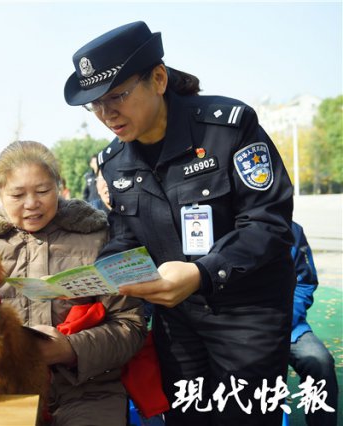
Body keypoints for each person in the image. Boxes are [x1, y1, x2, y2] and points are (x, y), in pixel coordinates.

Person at [64, 22, 295, 425]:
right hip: (178, 320)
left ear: (158, 78)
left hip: (246, 315)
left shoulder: (228, 128)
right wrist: (96, 278)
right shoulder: (115, 162)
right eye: (95, 105)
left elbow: (268, 221)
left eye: (116, 96)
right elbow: (126, 235)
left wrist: (202, 273)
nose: (106, 114)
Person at [0, 141, 146, 426]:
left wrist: (71, 349)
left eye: (42, 191)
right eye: (17, 194)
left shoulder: (98, 237)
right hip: (4, 390)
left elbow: (130, 325)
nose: (31, 203)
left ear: (59, 187)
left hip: (89, 393)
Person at [289, 221, 338, 426]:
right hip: (237, 327)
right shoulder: (225, 224)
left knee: (319, 362)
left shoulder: (293, 230)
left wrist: (283, 320)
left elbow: (305, 282)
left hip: (287, 326)